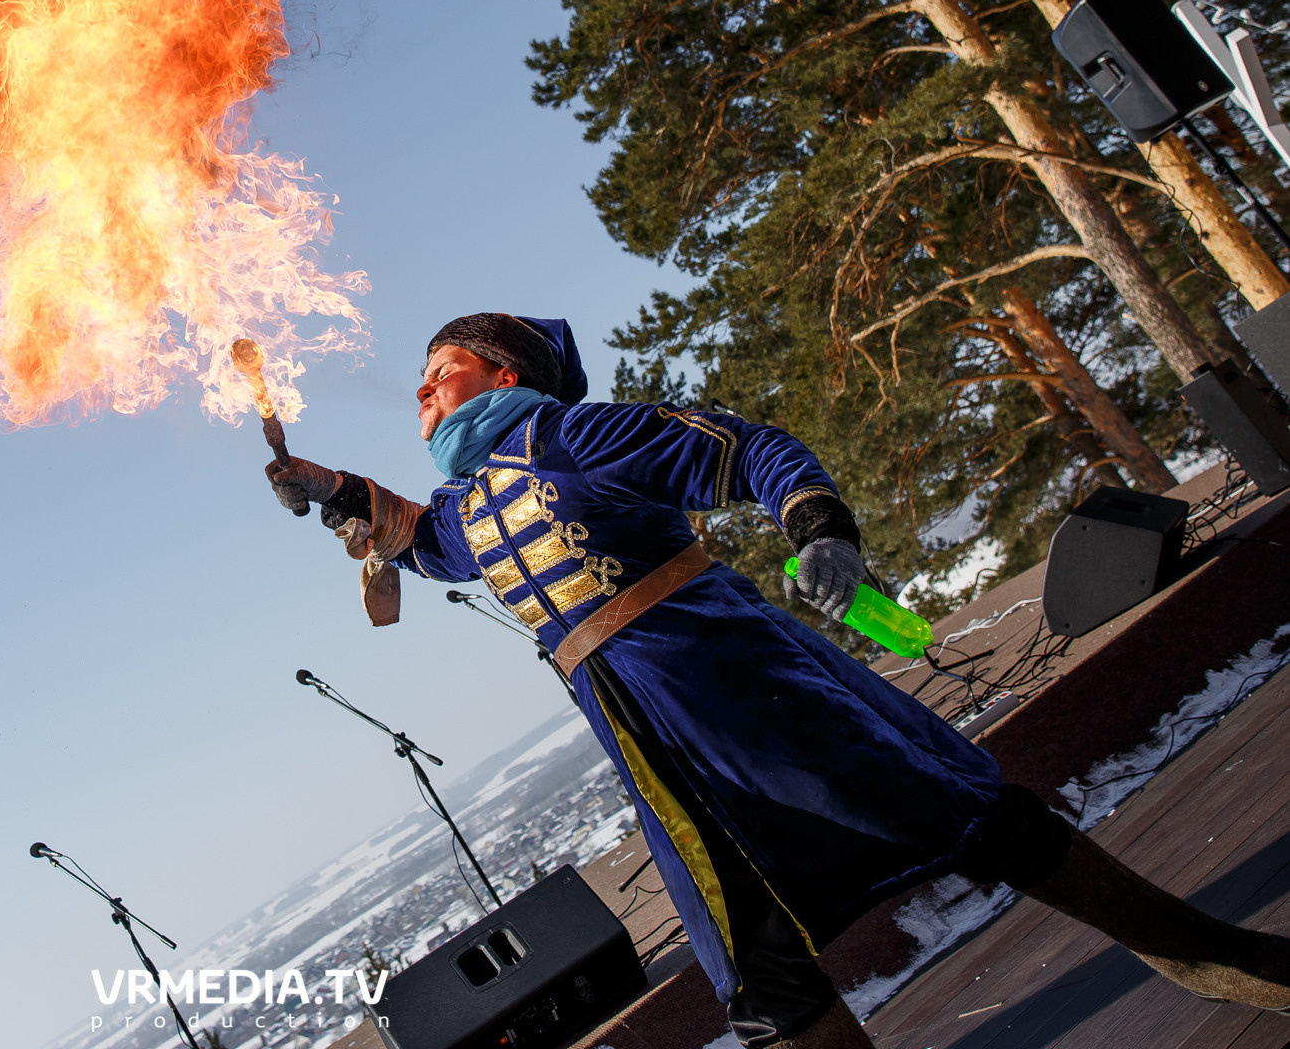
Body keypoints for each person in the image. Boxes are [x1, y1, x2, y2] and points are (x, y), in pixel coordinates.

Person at [265, 313, 1290, 1049]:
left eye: (440, 370)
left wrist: (818, 528)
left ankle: (1217, 959)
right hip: (654, 747)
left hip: (744, 684)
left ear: (502, 373)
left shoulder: (576, 435)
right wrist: (327, 487)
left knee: (965, 814)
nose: (422, 391)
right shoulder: (468, 503)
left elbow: (747, 447)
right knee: (750, 960)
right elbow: (422, 542)